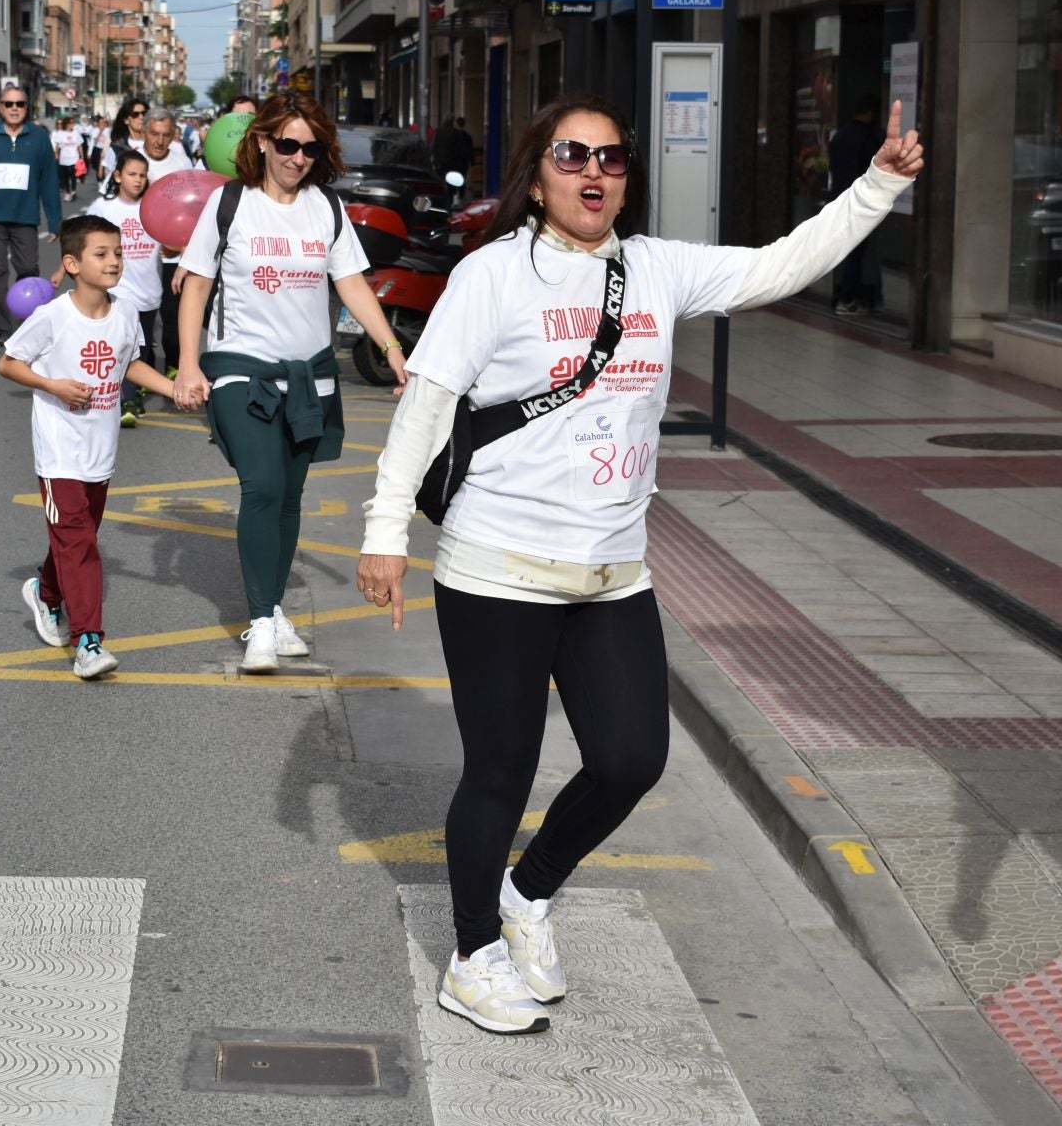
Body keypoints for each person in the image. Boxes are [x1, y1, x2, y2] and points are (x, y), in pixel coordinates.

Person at [355, 92, 923, 1036]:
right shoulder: (494, 275)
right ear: (538, 172)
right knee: (501, 770)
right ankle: (472, 956)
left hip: (613, 569)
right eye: (573, 156)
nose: (593, 173)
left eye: (611, 160)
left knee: (631, 760)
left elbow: (780, 266)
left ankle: (527, 897)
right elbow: (428, 403)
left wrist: (875, 189)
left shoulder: (655, 270)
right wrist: (383, 531)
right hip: (498, 561)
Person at [170, 90, 406, 672]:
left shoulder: (325, 208)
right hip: (238, 369)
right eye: (287, 144)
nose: (298, 157)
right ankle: (258, 623)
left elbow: (351, 284)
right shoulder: (231, 204)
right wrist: (190, 363)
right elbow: (196, 285)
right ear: (261, 142)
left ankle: (273, 610)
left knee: (290, 499)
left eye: (310, 147)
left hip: (310, 374)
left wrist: (392, 347)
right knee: (263, 487)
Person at [0, 215, 182, 679]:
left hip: (100, 450)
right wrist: (53, 385)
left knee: (77, 539)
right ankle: (88, 642)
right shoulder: (52, 316)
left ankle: (47, 592)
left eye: (118, 253)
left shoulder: (125, 313)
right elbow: (8, 362)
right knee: (78, 541)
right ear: (72, 263)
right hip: (59, 451)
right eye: (101, 254)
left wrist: (172, 389)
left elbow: (129, 365)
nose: (114, 261)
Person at [0, 85, 63, 346]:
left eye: (20, 104)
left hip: (25, 217)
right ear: (0, 107)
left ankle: (28, 321)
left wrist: (55, 220)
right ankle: (4, 328)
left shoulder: (39, 138)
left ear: (27, 108)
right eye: (9, 104)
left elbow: (49, 181)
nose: (14, 108)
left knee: (28, 269)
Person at [86, 149, 159, 428]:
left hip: (150, 290)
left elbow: (173, 236)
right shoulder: (104, 208)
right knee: (125, 345)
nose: (138, 180)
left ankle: (137, 387)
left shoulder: (153, 207)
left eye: (142, 175)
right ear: (117, 176)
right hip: (120, 291)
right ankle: (128, 399)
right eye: (131, 174)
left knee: (145, 344)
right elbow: (85, 239)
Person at [142, 108, 199, 376]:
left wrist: (181, 246)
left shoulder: (181, 163)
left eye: (166, 135)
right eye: (154, 134)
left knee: (172, 317)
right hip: (136, 256)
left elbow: (193, 210)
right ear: (144, 132)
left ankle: (175, 368)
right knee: (140, 321)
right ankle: (142, 373)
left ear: (173, 135)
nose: (159, 141)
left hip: (172, 255)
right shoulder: (132, 162)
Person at [827, 94, 882, 315]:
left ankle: (843, 293)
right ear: (870, 113)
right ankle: (847, 297)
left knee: (846, 250)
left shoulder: (839, 136)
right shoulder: (867, 138)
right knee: (856, 252)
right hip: (860, 200)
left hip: (839, 199)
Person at [434, 116, 475, 204]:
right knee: (461, 179)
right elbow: (470, 150)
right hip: (461, 162)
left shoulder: (448, 134)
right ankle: (460, 196)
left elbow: (442, 148)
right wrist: (472, 162)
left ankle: (451, 197)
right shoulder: (466, 136)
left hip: (452, 163)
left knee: (450, 180)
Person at [53, 116, 84, 203]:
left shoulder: (76, 133)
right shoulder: (61, 133)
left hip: (74, 157)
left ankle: (73, 191)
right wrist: (56, 154)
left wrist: (82, 157)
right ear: (66, 124)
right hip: (64, 158)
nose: (72, 124)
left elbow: (79, 145)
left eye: (73, 122)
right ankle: (67, 192)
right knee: (65, 176)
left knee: (73, 175)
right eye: (70, 123)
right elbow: (58, 145)